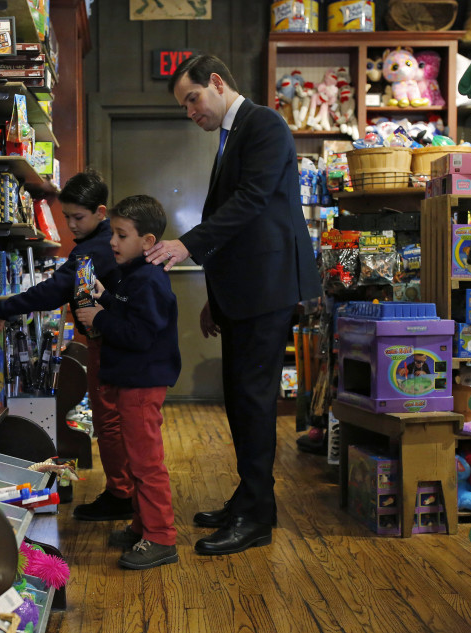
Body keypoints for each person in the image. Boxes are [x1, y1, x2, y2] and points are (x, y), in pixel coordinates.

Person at [146, 54, 321, 556]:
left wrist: (186, 245)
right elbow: (235, 215)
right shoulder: (234, 131)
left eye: (193, 98)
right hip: (245, 289)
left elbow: (250, 201)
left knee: (254, 403)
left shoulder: (262, 123)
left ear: (217, 83)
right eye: (184, 105)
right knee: (242, 401)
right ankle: (247, 499)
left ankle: (258, 517)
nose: (190, 112)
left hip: (267, 288)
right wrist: (215, 299)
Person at [0, 169, 134, 523]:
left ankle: (121, 494)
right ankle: (122, 491)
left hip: (108, 344)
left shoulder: (94, 250)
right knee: (112, 420)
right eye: (66, 218)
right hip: (108, 342)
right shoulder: (99, 244)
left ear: (101, 212)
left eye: (78, 217)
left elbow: (52, 292)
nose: (71, 225)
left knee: (110, 420)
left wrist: (1, 309)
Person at [75, 194, 181, 570]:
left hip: (141, 383)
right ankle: (142, 526)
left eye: (121, 235)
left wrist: (99, 319)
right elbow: (132, 316)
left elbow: (139, 334)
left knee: (146, 463)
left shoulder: (149, 280)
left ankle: (161, 537)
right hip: (130, 380)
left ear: (148, 242)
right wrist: (107, 302)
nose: (113, 242)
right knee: (137, 461)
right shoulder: (133, 275)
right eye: (113, 234)